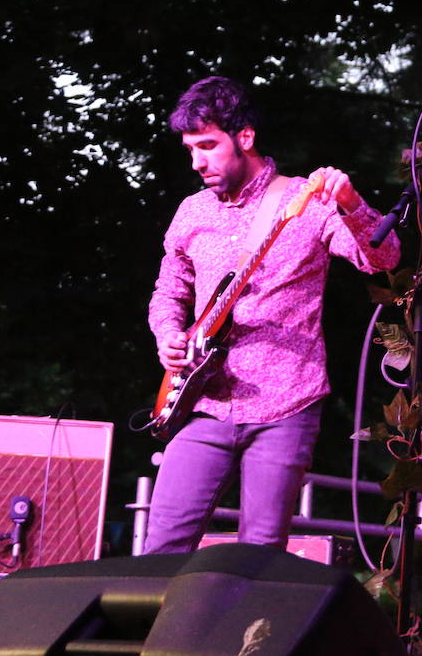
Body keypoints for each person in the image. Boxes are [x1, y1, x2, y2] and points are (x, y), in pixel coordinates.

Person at [144, 76, 400, 553]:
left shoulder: (307, 200)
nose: (197, 162)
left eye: (207, 146)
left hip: (286, 404)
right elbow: (167, 293)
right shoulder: (191, 212)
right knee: (161, 547)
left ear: (245, 137)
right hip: (203, 403)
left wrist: (351, 204)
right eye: (189, 149)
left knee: (259, 556)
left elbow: (383, 259)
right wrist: (167, 333)